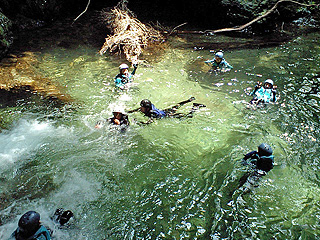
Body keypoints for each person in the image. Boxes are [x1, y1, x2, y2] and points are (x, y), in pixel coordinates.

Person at [128, 97, 206, 124]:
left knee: (188, 116)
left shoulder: (152, 113)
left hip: (166, 115)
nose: (140, 109)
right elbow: (138, 109)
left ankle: (196, 107)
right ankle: (189, 100)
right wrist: (129, 112)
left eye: (142, 107)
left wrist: (137, 122)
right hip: (164, 111)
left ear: (147, 108)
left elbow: (148, 123)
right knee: (176, 106)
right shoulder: (146, 107)